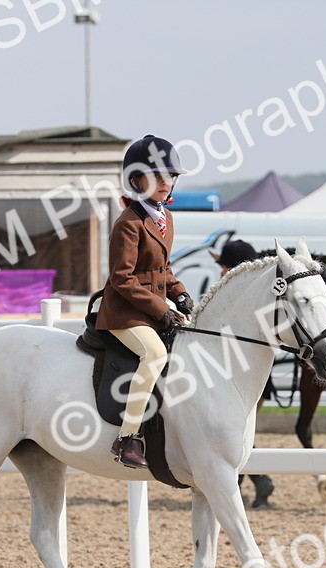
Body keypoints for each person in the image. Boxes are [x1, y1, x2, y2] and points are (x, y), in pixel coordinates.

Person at [97, 135, 193, 469]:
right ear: (137, 180)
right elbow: (122, 278)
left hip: (152, 310)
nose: (166, 183)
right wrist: (161, 308)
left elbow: (162, 269)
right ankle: (127, 438)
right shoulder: (128, 224)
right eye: (157, 176)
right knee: (154, 354)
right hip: (124, 313)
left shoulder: (164, 220)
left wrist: (180, 294)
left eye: (170, 176)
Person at [215, 239, 275, 508]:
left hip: (232, 377)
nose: (221, 272)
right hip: (254, 378)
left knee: (233, 434)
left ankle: (254, 483)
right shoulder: (259, 295)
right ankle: (254, 483)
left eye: (224, 267)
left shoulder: (232, 295)